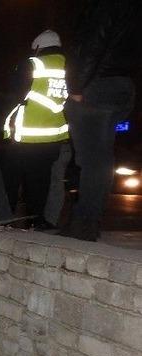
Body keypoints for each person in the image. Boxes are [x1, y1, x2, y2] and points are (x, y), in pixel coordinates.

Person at [62, 1, 141, 241]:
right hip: (123, 86)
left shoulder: (106, 6)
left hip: (97, 86)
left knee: (92, 160)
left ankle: (84, 223)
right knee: (101, 156)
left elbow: (93, 45)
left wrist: (77, 87)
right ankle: (89, 220)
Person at [2, 30, 70, 229]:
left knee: (11, 177)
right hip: (53, 137)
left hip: (25, 135)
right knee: (41, 180)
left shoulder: (33, 64)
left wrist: (4, 125)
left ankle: (4, 217)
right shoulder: (70, 66)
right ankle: (37, 220)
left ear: (38, 47)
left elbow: (13, 95)